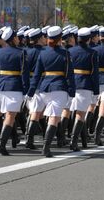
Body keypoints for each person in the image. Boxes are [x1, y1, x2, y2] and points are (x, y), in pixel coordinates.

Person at [27, 26, 74, 158]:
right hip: (59, 88)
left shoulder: (43, 53)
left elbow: (36, 75)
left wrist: (31, 92)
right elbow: (69, 75)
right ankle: (46, 148)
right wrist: (72, 92)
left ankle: (36, 141)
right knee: (54, 118)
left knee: (40, 114)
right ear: (60, 39)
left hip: (44, 88)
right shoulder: (65, 53)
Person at [0, 27, 29, 155]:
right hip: (14, 87)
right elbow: (24, 74)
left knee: (1, 114)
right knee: (10, 116)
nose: (18, 39)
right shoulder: (21, 53)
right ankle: (2, 145)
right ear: (13, 39)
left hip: (0, 87)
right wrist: (26, 90)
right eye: (16, 37)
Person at [68, 28, 99, 150]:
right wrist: (96, 91)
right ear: (89, 39)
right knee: (81, 114)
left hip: (71, 83)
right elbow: (94, 73)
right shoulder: (92, 53)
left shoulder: (70, 51)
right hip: (85, 84)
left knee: (76, 111)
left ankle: (84, 140)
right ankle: (74, 141)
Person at [23, 28, 47, 149]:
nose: (45, 39)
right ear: (39, 39)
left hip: (30, 82)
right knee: (36, 112)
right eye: (43, 37)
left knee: (39, 112)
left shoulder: (26, 51)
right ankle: (29, 139)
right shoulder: (44, 51)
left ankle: (47, 135)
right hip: (41, 83)